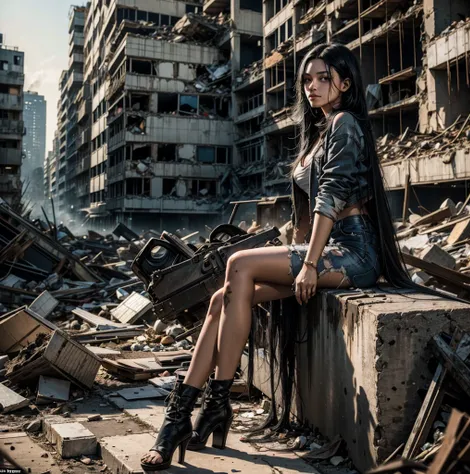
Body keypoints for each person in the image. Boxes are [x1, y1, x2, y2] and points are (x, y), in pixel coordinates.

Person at [140, 42, 418, 470]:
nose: (312, 85)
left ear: (345, 83)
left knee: (238, 265)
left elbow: (330, 197)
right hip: (329, 247)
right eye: (307, 79)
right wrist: (299, 246)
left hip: (353, 252)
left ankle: (213, 404)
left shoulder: (345, 124)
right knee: (223, 298)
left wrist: (308, 263)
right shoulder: (322, 131)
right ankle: (182, 419)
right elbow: (306, 213)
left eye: (323, 77)